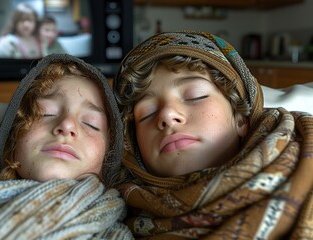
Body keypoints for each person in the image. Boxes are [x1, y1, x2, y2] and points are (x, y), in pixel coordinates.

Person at [113, 31, 313, 239]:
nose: (167, 115)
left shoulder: (304, 163)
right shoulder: (113, 217)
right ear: (132, 145)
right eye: (147, 113)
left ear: (240, 119)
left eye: (195, 96)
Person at [0, 54, 133, 239]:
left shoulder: (111, 227)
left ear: (108, 156)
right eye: (46, 113)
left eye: (91, 123)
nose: (67, 126)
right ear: (13, 133)